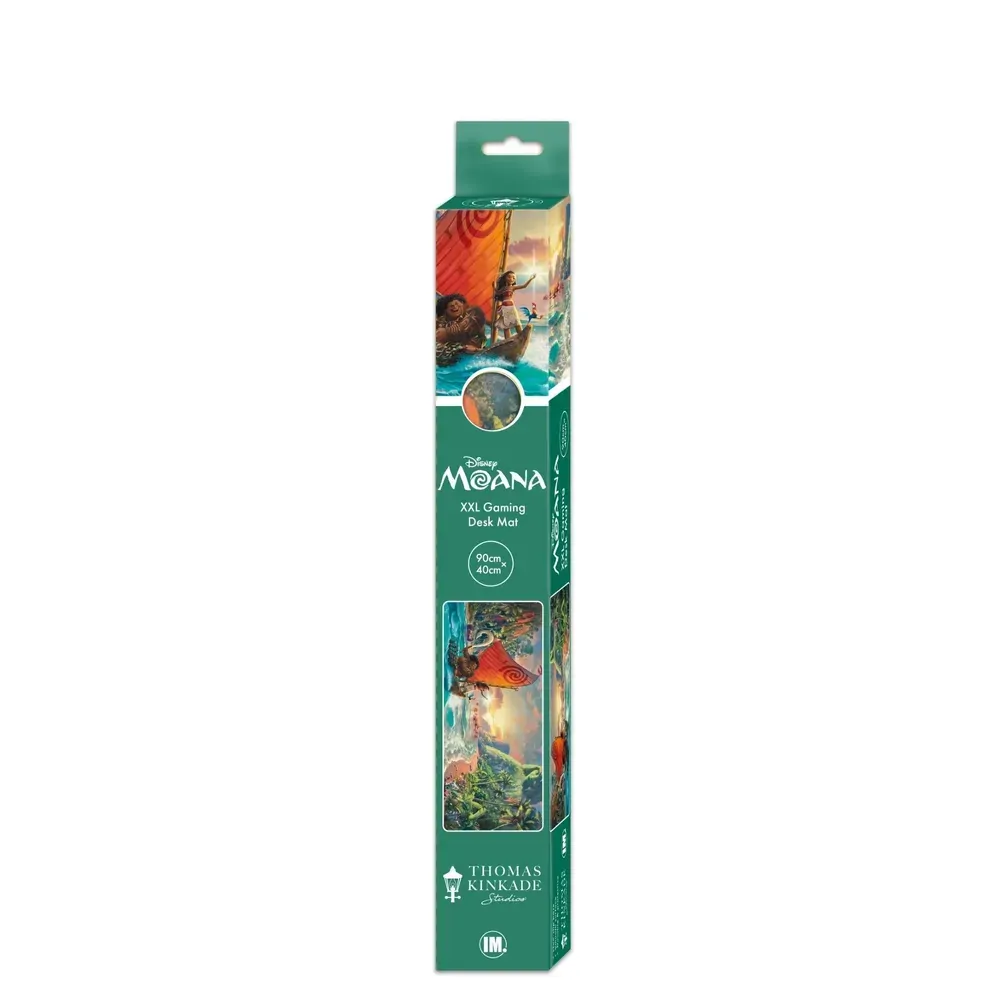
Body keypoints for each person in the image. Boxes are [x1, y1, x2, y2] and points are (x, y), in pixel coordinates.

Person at [492, 271, 535, 341]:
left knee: (516, 321)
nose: (511, 279)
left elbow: (524, 286)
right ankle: (508, 340)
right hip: (504, 308)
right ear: (505, 278)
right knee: (506, 325)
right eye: (509, 277)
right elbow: (498, 292)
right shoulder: (503, 288)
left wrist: (530, 279)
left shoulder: (513, 287)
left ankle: (522, 337)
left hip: (511, 307)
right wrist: (494, 287)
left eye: (513, 278)